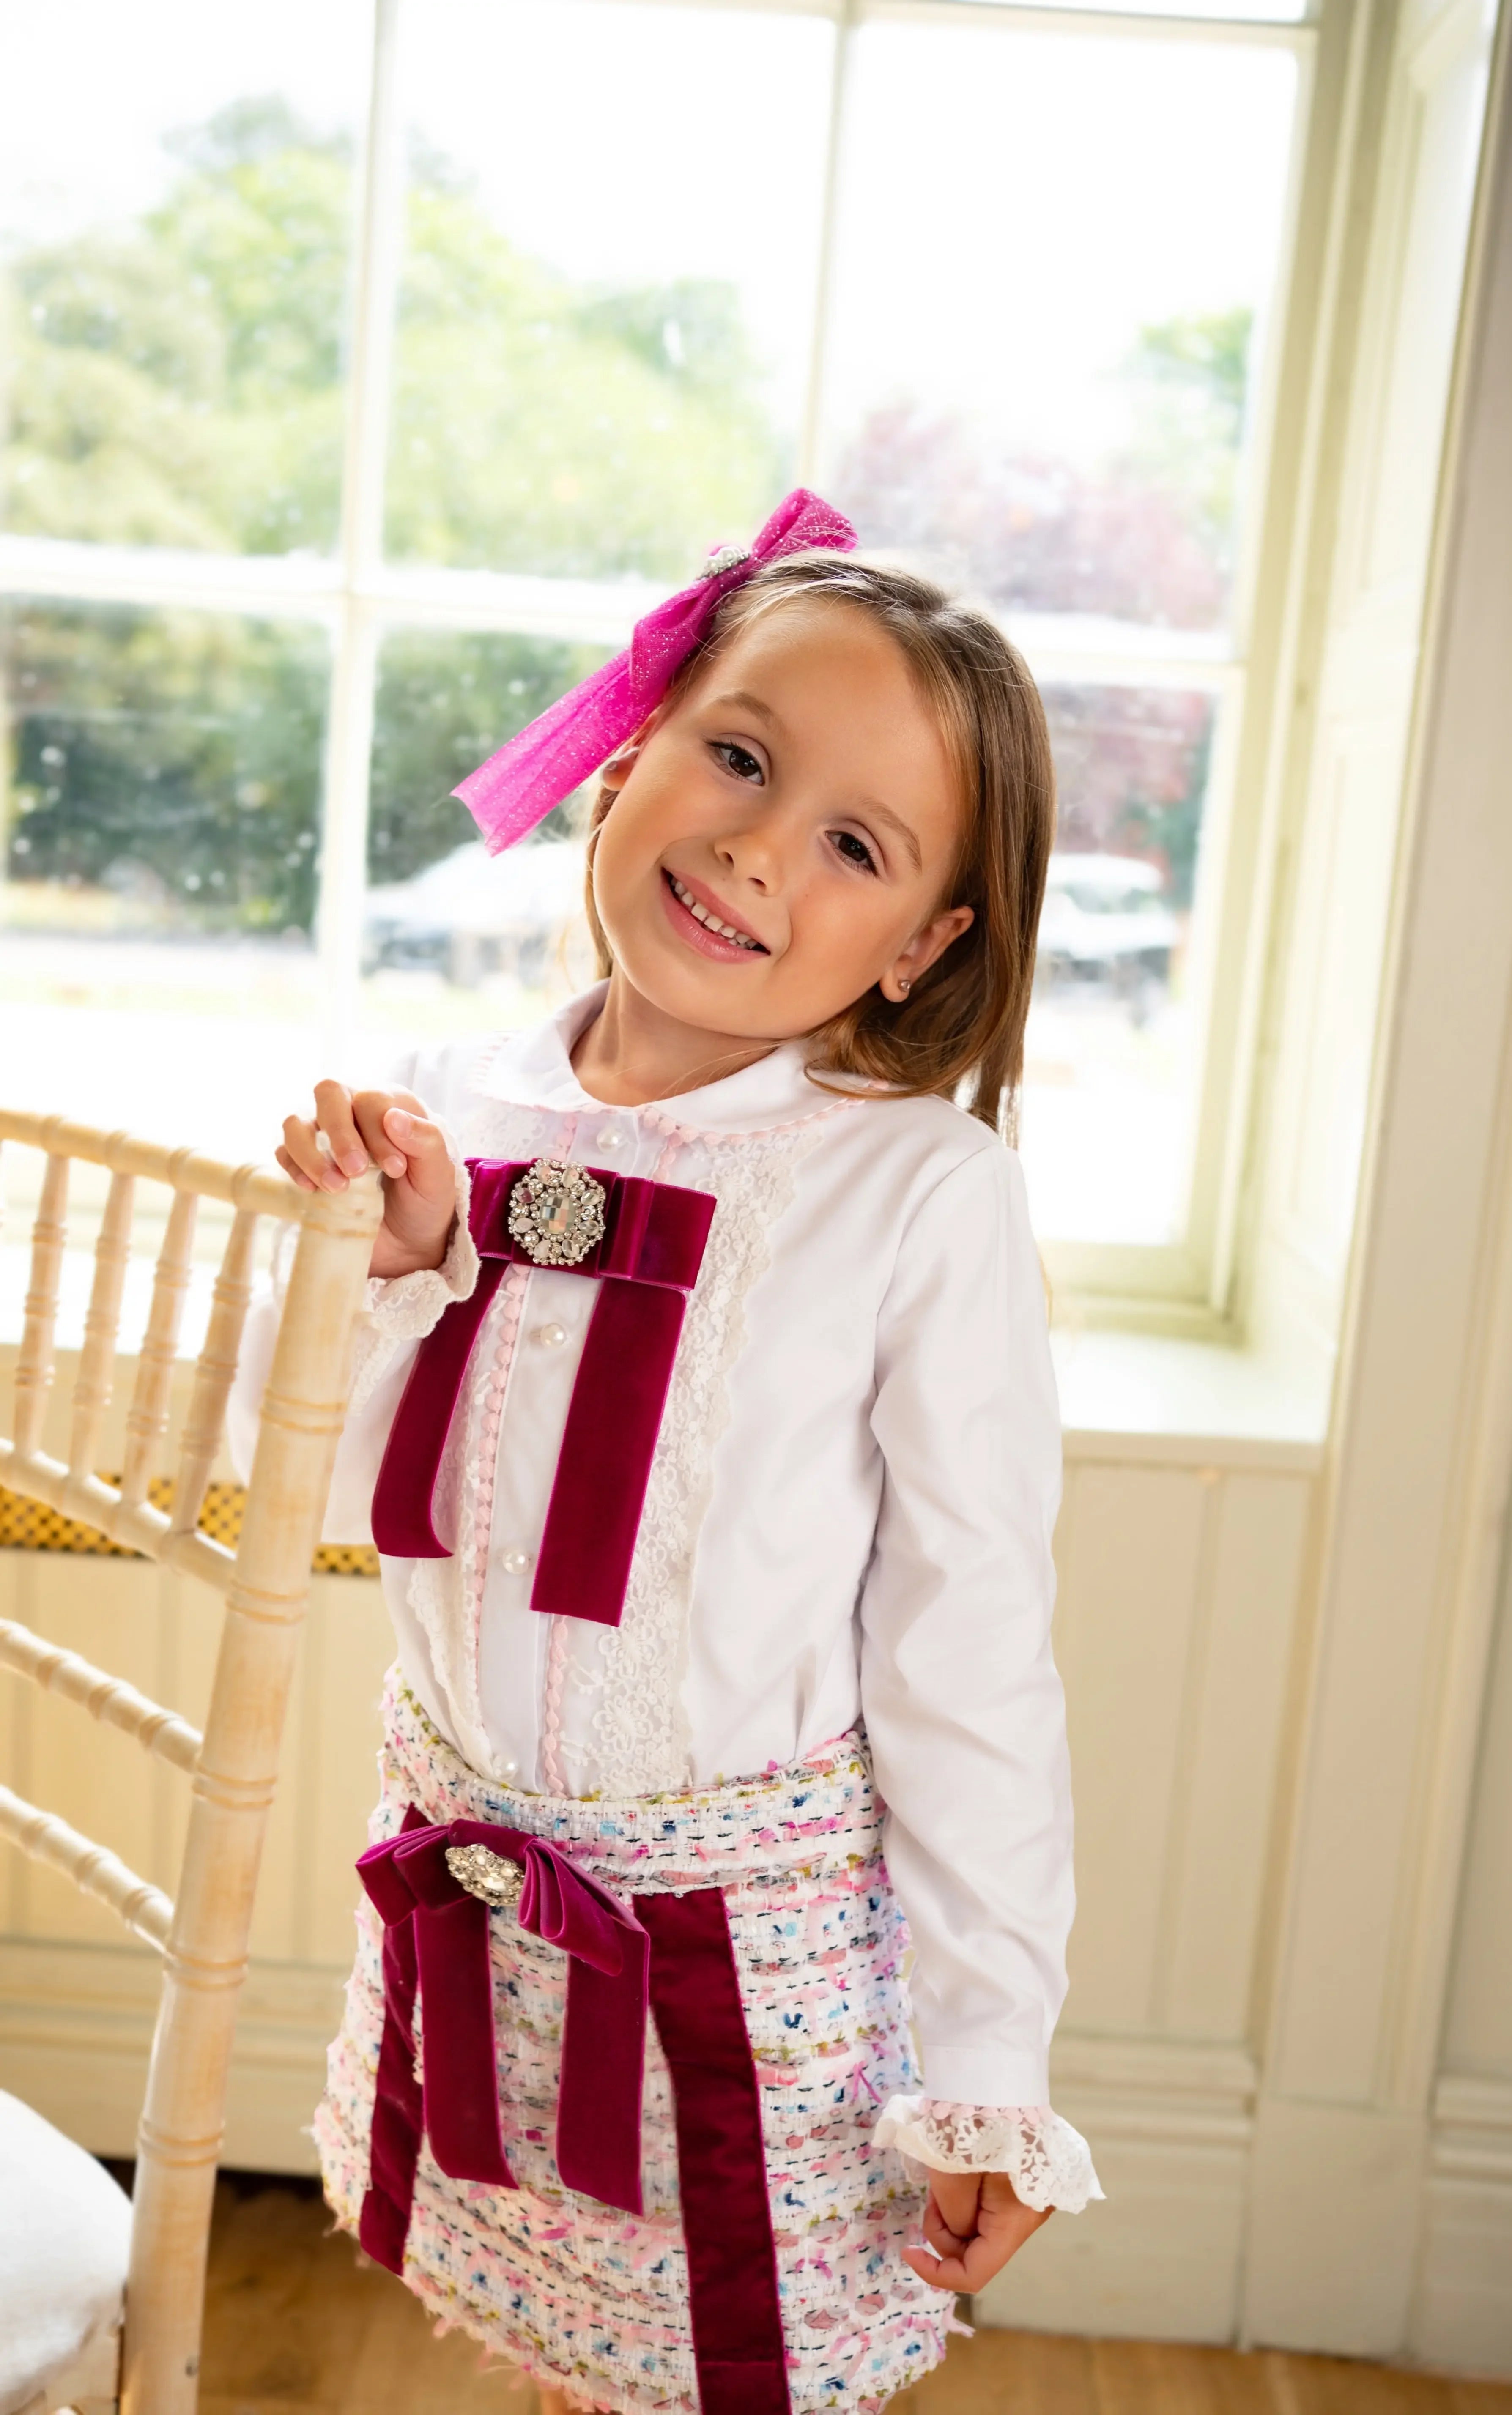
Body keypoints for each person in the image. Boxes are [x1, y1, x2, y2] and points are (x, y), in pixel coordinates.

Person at [231, 492, 1100, 2415]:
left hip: (750, 1980)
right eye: (736, 755)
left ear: (923, 941)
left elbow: (968, 1650)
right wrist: (369, 1280)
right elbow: (299, 1486)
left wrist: (989, 2060)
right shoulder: (452, 1112)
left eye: (852, 844)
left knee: (730, 2372)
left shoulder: (913, 1196)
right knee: (569, 2359)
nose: (753, 847)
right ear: (628, 749)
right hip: (481, 1906)